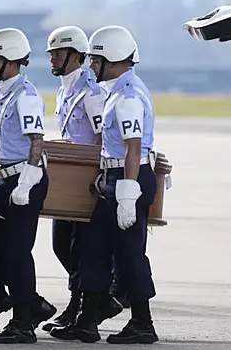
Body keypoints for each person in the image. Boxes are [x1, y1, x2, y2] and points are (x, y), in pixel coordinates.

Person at [51, 25, 159, 344]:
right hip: (114, 179)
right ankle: (87, 320)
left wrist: (126, 194)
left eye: (95, 60)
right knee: (92, 251)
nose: (90, 66)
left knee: (129, 255)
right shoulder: (116, 90)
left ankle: (143, 322)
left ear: (110, 60)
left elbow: (133, 147)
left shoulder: (127, 96)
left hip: (130, 180)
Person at [41, 25, 124, 332]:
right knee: (62, 245)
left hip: (87, 183)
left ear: (76, 57)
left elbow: (103, 139)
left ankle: (85, 304)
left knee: (80, 247)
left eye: (58, 54)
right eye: (51, 54)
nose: (52, 59)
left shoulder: (92, 93)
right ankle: (85, 302)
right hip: (68, 181)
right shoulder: (66, 90)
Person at [0, 27, 52, 344]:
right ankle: (32, 304)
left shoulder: (26, 95)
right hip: (9, 178)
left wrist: (28, 179)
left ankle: (23, 322)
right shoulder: (6, 93)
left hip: (26, 179)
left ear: (9, 61)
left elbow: (37, 139)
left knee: (17, 254)